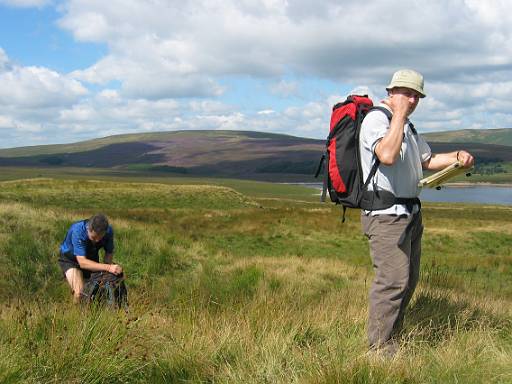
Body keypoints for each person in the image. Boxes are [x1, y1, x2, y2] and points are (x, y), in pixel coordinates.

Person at [359, 69, 474, 355]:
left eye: (416, 96)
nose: (412, 100)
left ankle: (391, 338)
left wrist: (457, 157)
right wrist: (397, 115)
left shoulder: (407, 126)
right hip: (386, 215)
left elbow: (428, 159)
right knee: (392, 281)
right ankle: (378, 351)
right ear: (391, 91)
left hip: (409, 213)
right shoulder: (377, 120)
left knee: (408, 280)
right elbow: (385, 155)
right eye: (407, 93)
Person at [58, 213, 123, 303]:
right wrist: (108, 267)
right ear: (89, 228)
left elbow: (109, 252)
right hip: (70, 260)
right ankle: (76, 314)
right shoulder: (78, 231)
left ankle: (91, 313)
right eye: (94, 237)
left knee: (94, 290)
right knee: (80, 293)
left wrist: (107, 270)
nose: (97, 241)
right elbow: (83, 263)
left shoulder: (109, 231)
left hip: (91, 257)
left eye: (100, 238)